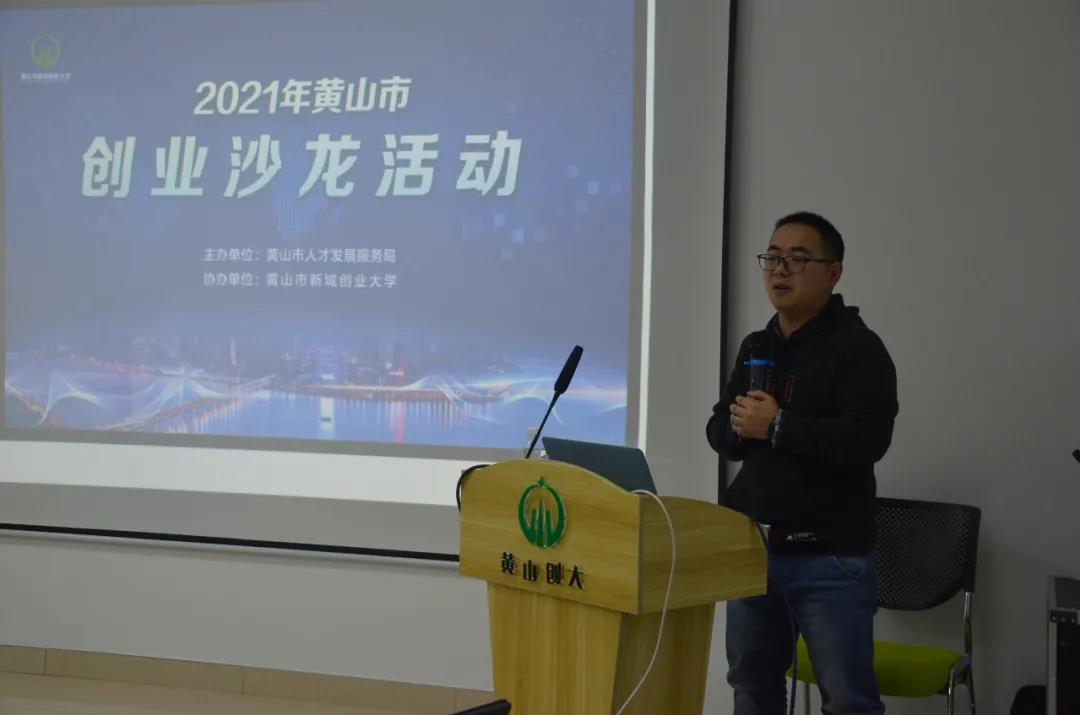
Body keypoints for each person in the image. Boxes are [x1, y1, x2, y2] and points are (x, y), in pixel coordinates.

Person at [707, 212, 898, 714]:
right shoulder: (757, 345)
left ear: (833, 272)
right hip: (754, 549)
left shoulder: (859, 349)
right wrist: (740, 426)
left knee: (848, 700)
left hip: (828, 556)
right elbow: (722, 433)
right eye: (772, 257)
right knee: (751, 689)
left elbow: (868, 440)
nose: (780, 269)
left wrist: (778, 427)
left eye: (797, 259)